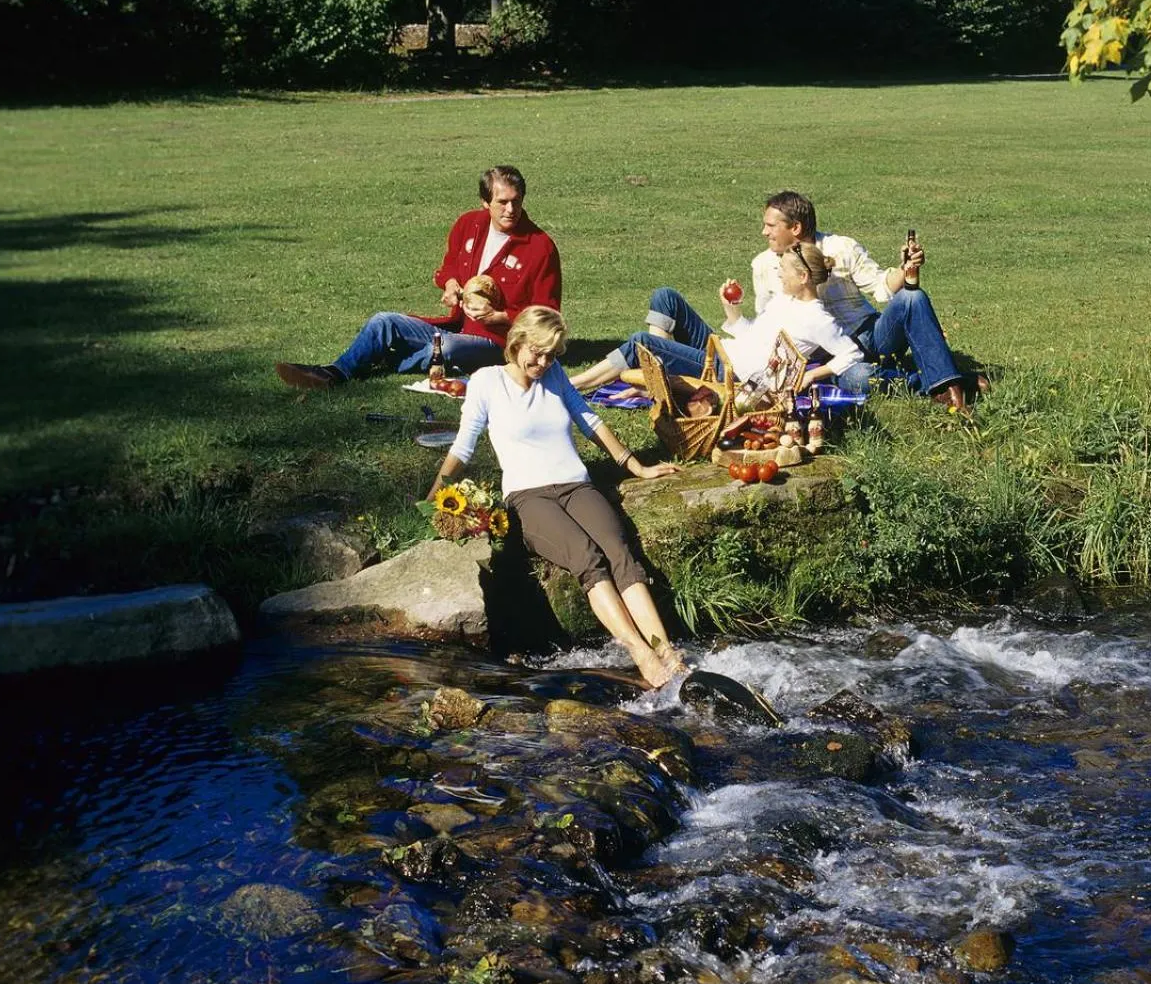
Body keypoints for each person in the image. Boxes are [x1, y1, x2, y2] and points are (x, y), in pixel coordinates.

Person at [428, 307, 685, 687]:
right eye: (537, 351)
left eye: (552, 354)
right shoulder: (486, 382)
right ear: (517, 342)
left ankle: (665, 651)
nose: (543, 361)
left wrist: (637, 466)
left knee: (619, 551)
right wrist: (435, 495)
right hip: (528, 497)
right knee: (587, 557)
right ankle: (640, 652)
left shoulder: (554, 376)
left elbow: (590, 420)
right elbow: (463, 448)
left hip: (576, 485)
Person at [274, 165, 561, 390]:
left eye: (516, 202)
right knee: (383, 321)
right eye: (502, 202)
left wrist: (500, 316)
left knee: (445, 347)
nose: (511, 210)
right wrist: (450, 285)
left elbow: (547, 315)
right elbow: (448, 269)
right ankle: (334, 372)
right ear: (485, 202)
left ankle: (383, 358)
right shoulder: (468, 225)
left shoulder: (540, 247)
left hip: (498, 342)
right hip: (456, 326)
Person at [748, 191, 976, 409]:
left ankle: (947, 386)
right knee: (859, 378)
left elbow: (881, 286)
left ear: (795, 227)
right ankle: (943, 382)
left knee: (911, 297)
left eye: (770, 225)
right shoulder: (763, 265)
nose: (764, 232)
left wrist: (905, 268)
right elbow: (768, 325)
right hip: (833, 355)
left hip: (871, 335)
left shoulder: (841, 247)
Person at [569, 242, 864, 397]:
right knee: (666, 296)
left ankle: (574, 386)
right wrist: (732, 308)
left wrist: (812, 374)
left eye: (783, 269)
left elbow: (852, 352)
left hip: (731, 372)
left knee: (641, 343)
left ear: (802, 277)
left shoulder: (817, 318)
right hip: (723, 351)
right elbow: (750, 336)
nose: (777, 273)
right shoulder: (783, 300)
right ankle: (659, 382)